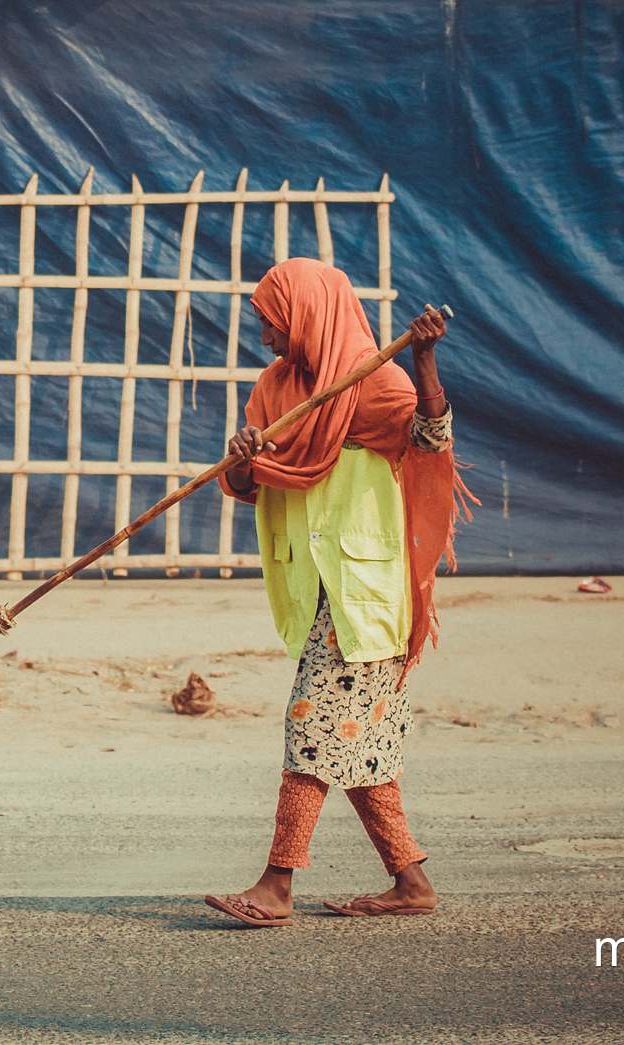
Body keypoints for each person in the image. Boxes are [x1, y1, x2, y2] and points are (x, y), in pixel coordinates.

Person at [204, 258, 464, 926]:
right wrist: (241, 457)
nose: (264, 337)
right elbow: (249, 482)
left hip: (368, 591)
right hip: (315, 592)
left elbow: (432, 437)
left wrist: (427, 359)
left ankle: (275, 884)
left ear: (307, 314)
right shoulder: (274, 387)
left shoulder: (378, 381)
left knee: (311, 728)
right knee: (360, 746)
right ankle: (412, 884)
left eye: (271, 323)